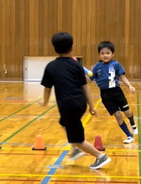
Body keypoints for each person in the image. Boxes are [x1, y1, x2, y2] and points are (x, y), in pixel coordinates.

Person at [40, 32, 111, 170]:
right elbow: (85, 86)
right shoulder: (76, 65)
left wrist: (45, 102)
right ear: (72, 47)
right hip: (80, 103)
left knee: (77, 139)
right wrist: (91, 105)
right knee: (63, 123)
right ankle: (76, 150)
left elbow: (47, 89)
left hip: (68, 106)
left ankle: (100, 156)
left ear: (54, 48)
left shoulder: (51, 67)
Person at [89, 41, 138, 144]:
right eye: (102, 53)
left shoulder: (116, 64)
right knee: (117, 115)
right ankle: (129, 135)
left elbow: (122, 77)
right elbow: (89, 80)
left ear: (112, 54)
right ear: (99, 54)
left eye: (107, 53)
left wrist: (130, 86)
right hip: (105, 95)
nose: (105, 55)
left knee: (127, 112)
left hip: (117, 92)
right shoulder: (96, 67)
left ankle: (132, 123)